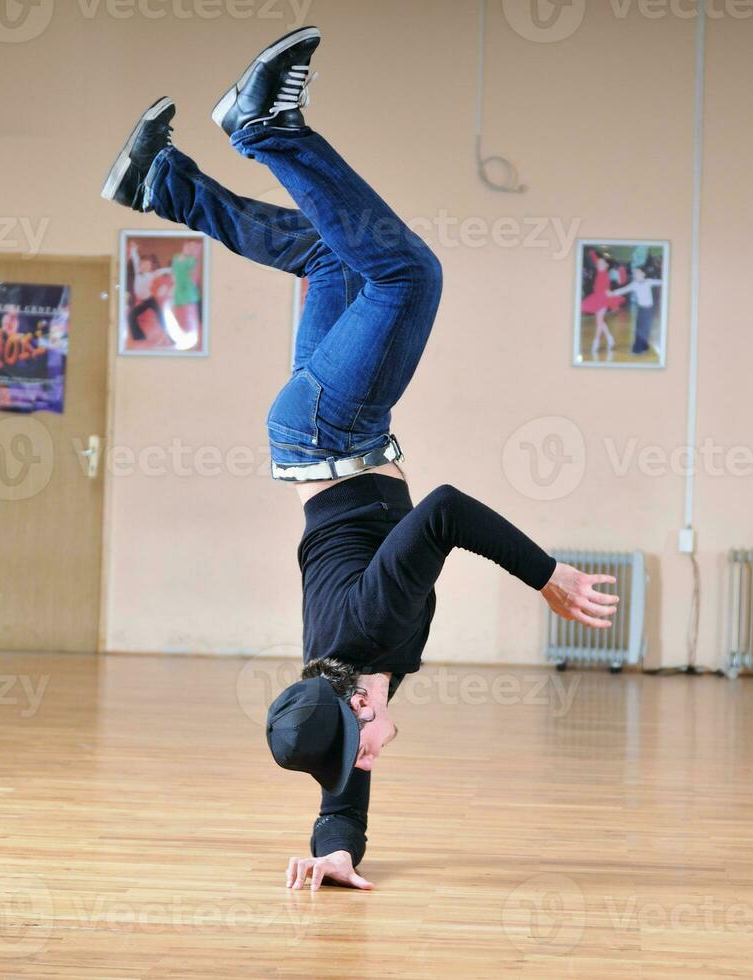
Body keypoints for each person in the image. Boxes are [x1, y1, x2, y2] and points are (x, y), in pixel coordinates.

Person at [102, 27, 621, 892]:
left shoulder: (366, 634)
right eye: (357, 756)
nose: (367, 760)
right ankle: (160, 182)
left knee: (410, 278)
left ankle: (264, 127)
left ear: (358, 706)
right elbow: (342, 790)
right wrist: (335, 848)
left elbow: (447, 510)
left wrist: (547, 577)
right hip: (311, 440)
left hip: (333, 434)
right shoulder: (348, 678)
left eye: (359, 746)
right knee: (324, 251)